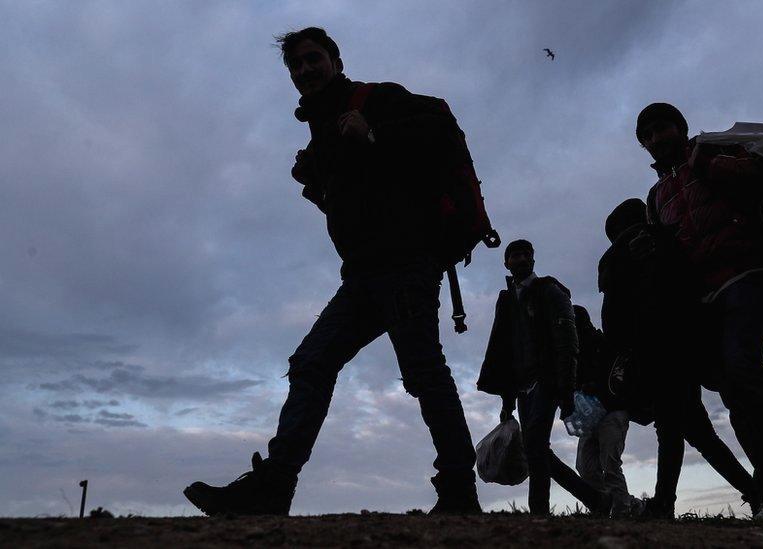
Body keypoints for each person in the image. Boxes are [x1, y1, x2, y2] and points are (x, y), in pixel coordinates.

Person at [183, 26, 481, 516]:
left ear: (336, 60)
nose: (305, 70)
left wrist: (376, 132)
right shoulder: (320, 132)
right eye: (296, 66)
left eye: (312, 59)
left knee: (423, 371)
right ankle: (274, 488)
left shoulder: (376, 99)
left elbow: (439, 129)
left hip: (407, 264)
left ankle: (458, 491)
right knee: (312, 362)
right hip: (363, 275)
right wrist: (315, 178)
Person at [634, 103, 763, 524]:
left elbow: (758, 178)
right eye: (646, 135)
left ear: (680, 129)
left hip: (746, 274)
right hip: (704, 299)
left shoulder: (711, 153)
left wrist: (704, 161)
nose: (655, 139)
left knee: (744, 364)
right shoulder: (656, 197)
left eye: (662, 128)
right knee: (732, 390)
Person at [598, 198, 759, 520]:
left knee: (677, 429)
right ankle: (750, 493)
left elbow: (612, 316)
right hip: (685, 346)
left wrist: (618, 356)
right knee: (691, 432)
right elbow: (694, 286)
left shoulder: (614, 257)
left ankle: (667, 503)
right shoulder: (670, 239)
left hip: (651, 352)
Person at [477, 239, 610, 516]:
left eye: (526, 254)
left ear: (533, 261)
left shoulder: (550, 291)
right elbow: (505, 353)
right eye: (515, 254)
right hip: (524, 385)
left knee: (536, 446)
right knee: (536, 449)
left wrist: (566, 386)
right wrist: (506, 399)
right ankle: (595, 500)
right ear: (506, 262)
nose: (521, 258)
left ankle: (539, 513)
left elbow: (567, 341)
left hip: (547, 379)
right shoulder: (508, 300)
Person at [572, 305, 644, 518]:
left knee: (610, 465)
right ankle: (629, 506)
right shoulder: (575, 351)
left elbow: (619, 379)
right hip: (591, 414)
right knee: (586, 468)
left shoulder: (606, 346)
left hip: (613, 412)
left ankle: (623, 512)